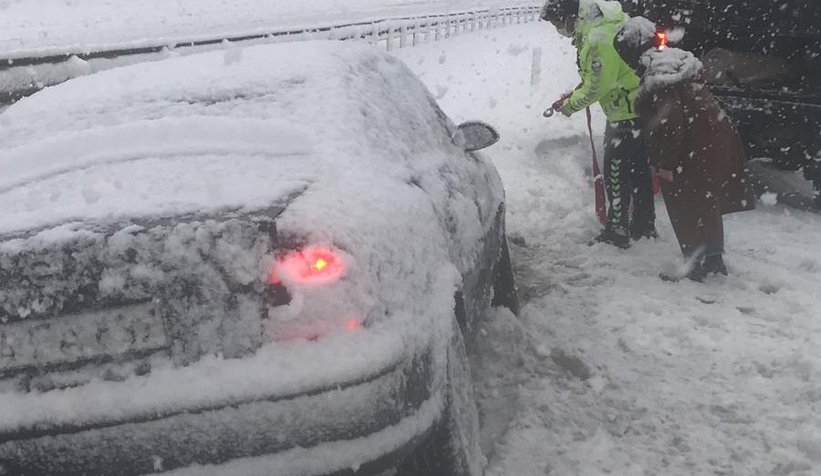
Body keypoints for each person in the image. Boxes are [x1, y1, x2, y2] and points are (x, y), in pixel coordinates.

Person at [614, 16, 755, 281]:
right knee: (706, 204)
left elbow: (669, 122)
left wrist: (665, 163)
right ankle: (713, 260)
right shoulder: (676, 60)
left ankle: (696, 267)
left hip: (690, 147)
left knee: (687, 207)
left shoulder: (659, 75)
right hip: (715, 138)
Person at [541, 0, 657, 249]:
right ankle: (643, 225)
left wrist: (570, 106)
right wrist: (573, 95)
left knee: (616, 173)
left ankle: (617, 230)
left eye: (557, 23)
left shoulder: (597, 38)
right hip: (638, 108)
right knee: (638, 172)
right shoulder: (606, 26)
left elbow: (599, 85)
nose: (557, 29)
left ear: (571, 16)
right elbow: (603, 76)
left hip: (623, 114)